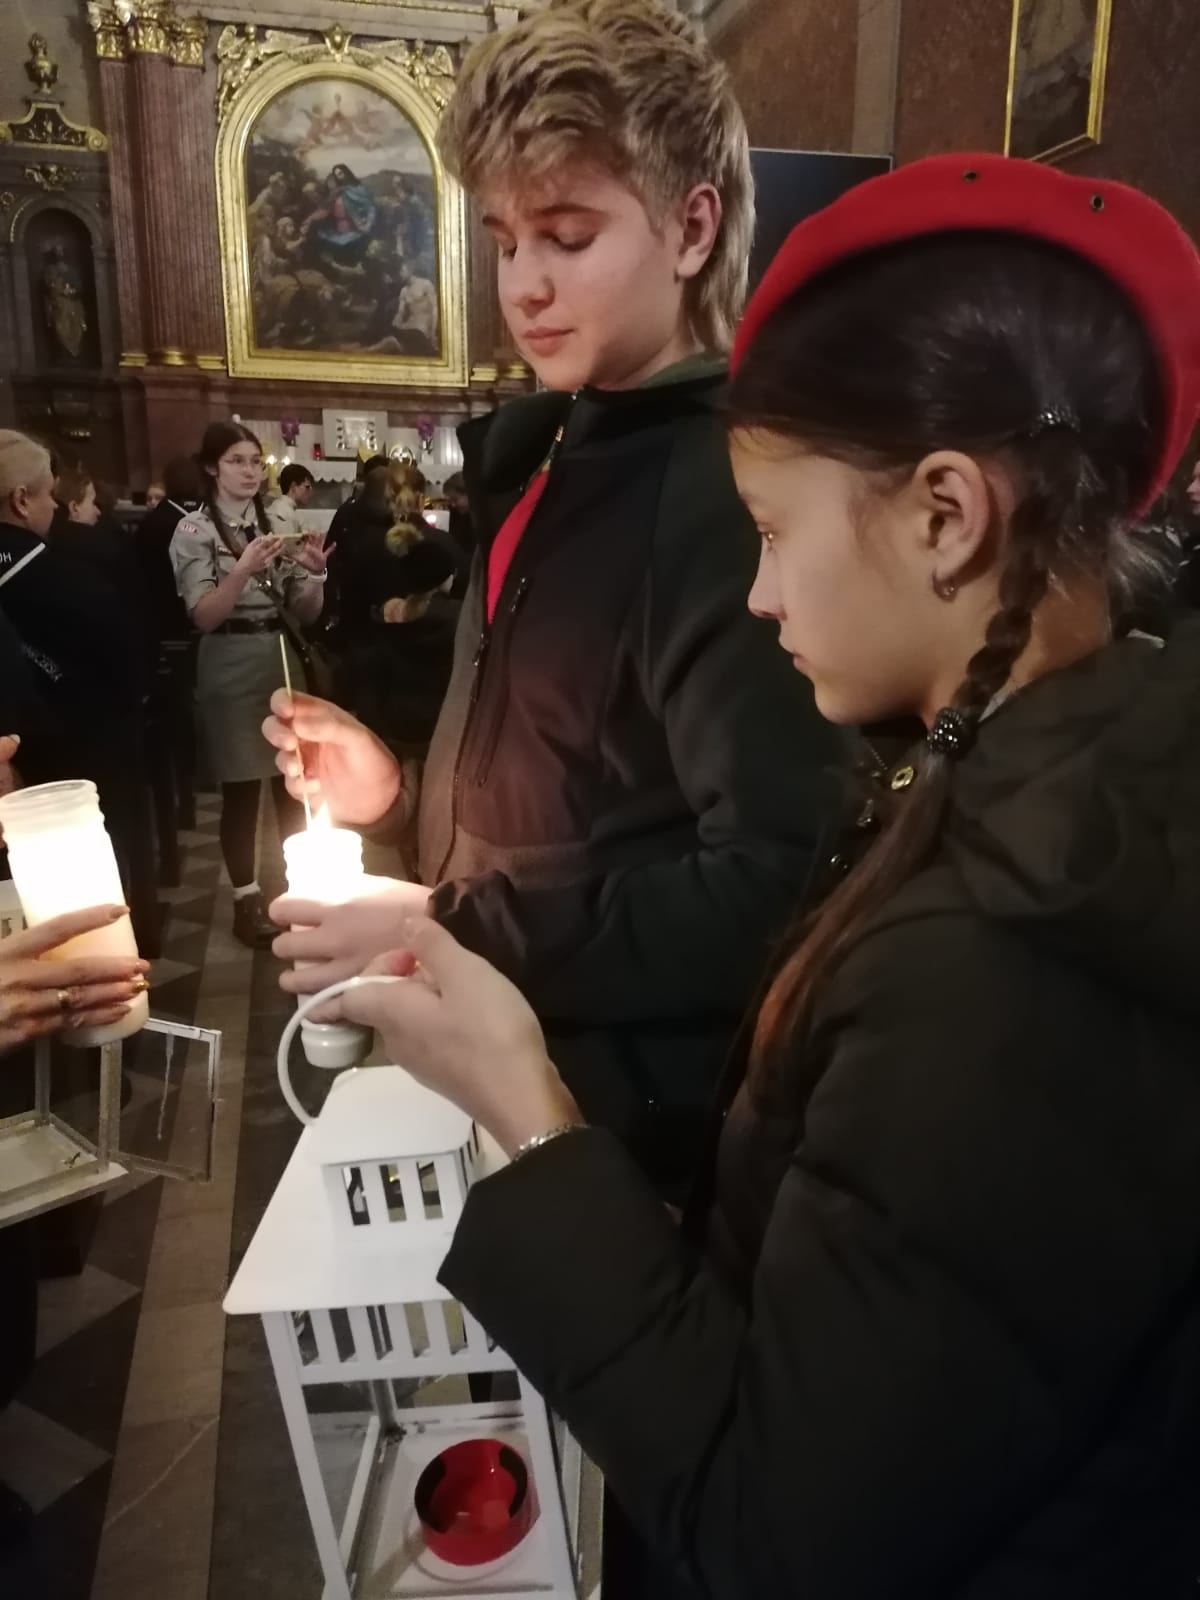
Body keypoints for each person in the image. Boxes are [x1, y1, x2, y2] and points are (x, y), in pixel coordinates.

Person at [315, 154, 1200, 1597]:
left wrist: (530, 1112)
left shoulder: (1015, 954)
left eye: (777, 533)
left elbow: (777, 1529)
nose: (762, 592)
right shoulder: (1048, 789)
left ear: (945, 514)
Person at [264, 0, 836, 1190]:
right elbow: (579, 795)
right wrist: (399, 795)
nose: (524, 284)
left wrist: (447, 923)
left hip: (633, 1132)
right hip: (508, 1079)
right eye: (506, 239)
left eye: (568, 236)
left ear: (692, 228)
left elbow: (779, 880)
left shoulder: (731, 491)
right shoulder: (551, 453)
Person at [170, 422, 330, 948]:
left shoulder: (280, 519)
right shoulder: (194, 530)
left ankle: (298, 887)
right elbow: (203, 616)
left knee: (292, 784)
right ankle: (247, 899)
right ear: (212, 467)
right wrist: (240, 571)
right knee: (241, 791)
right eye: (236, 461)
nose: (249, 471)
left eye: (256, 461)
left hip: (280, 653)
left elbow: (306, 612)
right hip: (229, 659)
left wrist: (315, 575)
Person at [0, 431, 158, 953]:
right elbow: (125, 663)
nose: (54, 506)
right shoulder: (75, 577)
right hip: (83, 754)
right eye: (48, 493)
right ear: (21, 500)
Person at [268, 463, 316, 540]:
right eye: (307, 487)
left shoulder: (281, 506)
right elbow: (287, 544)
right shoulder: (285, 513)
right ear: (293, 486)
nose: (311, 492)